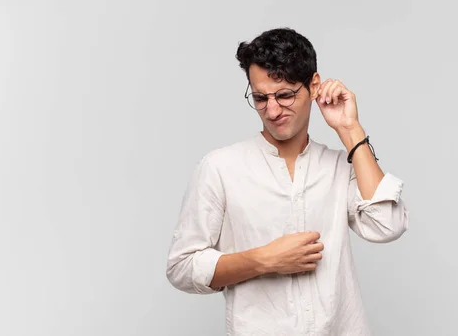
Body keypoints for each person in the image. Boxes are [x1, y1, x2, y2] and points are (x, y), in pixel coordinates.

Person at [166, 27, 409, 335]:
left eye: (284, 95)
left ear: (314, 86)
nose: (272, 109)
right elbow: (182, 268)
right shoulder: (220, 168)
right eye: (259, 97)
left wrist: (350, 129)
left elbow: (387, 224)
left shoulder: (339, 166)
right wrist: (262, 260)